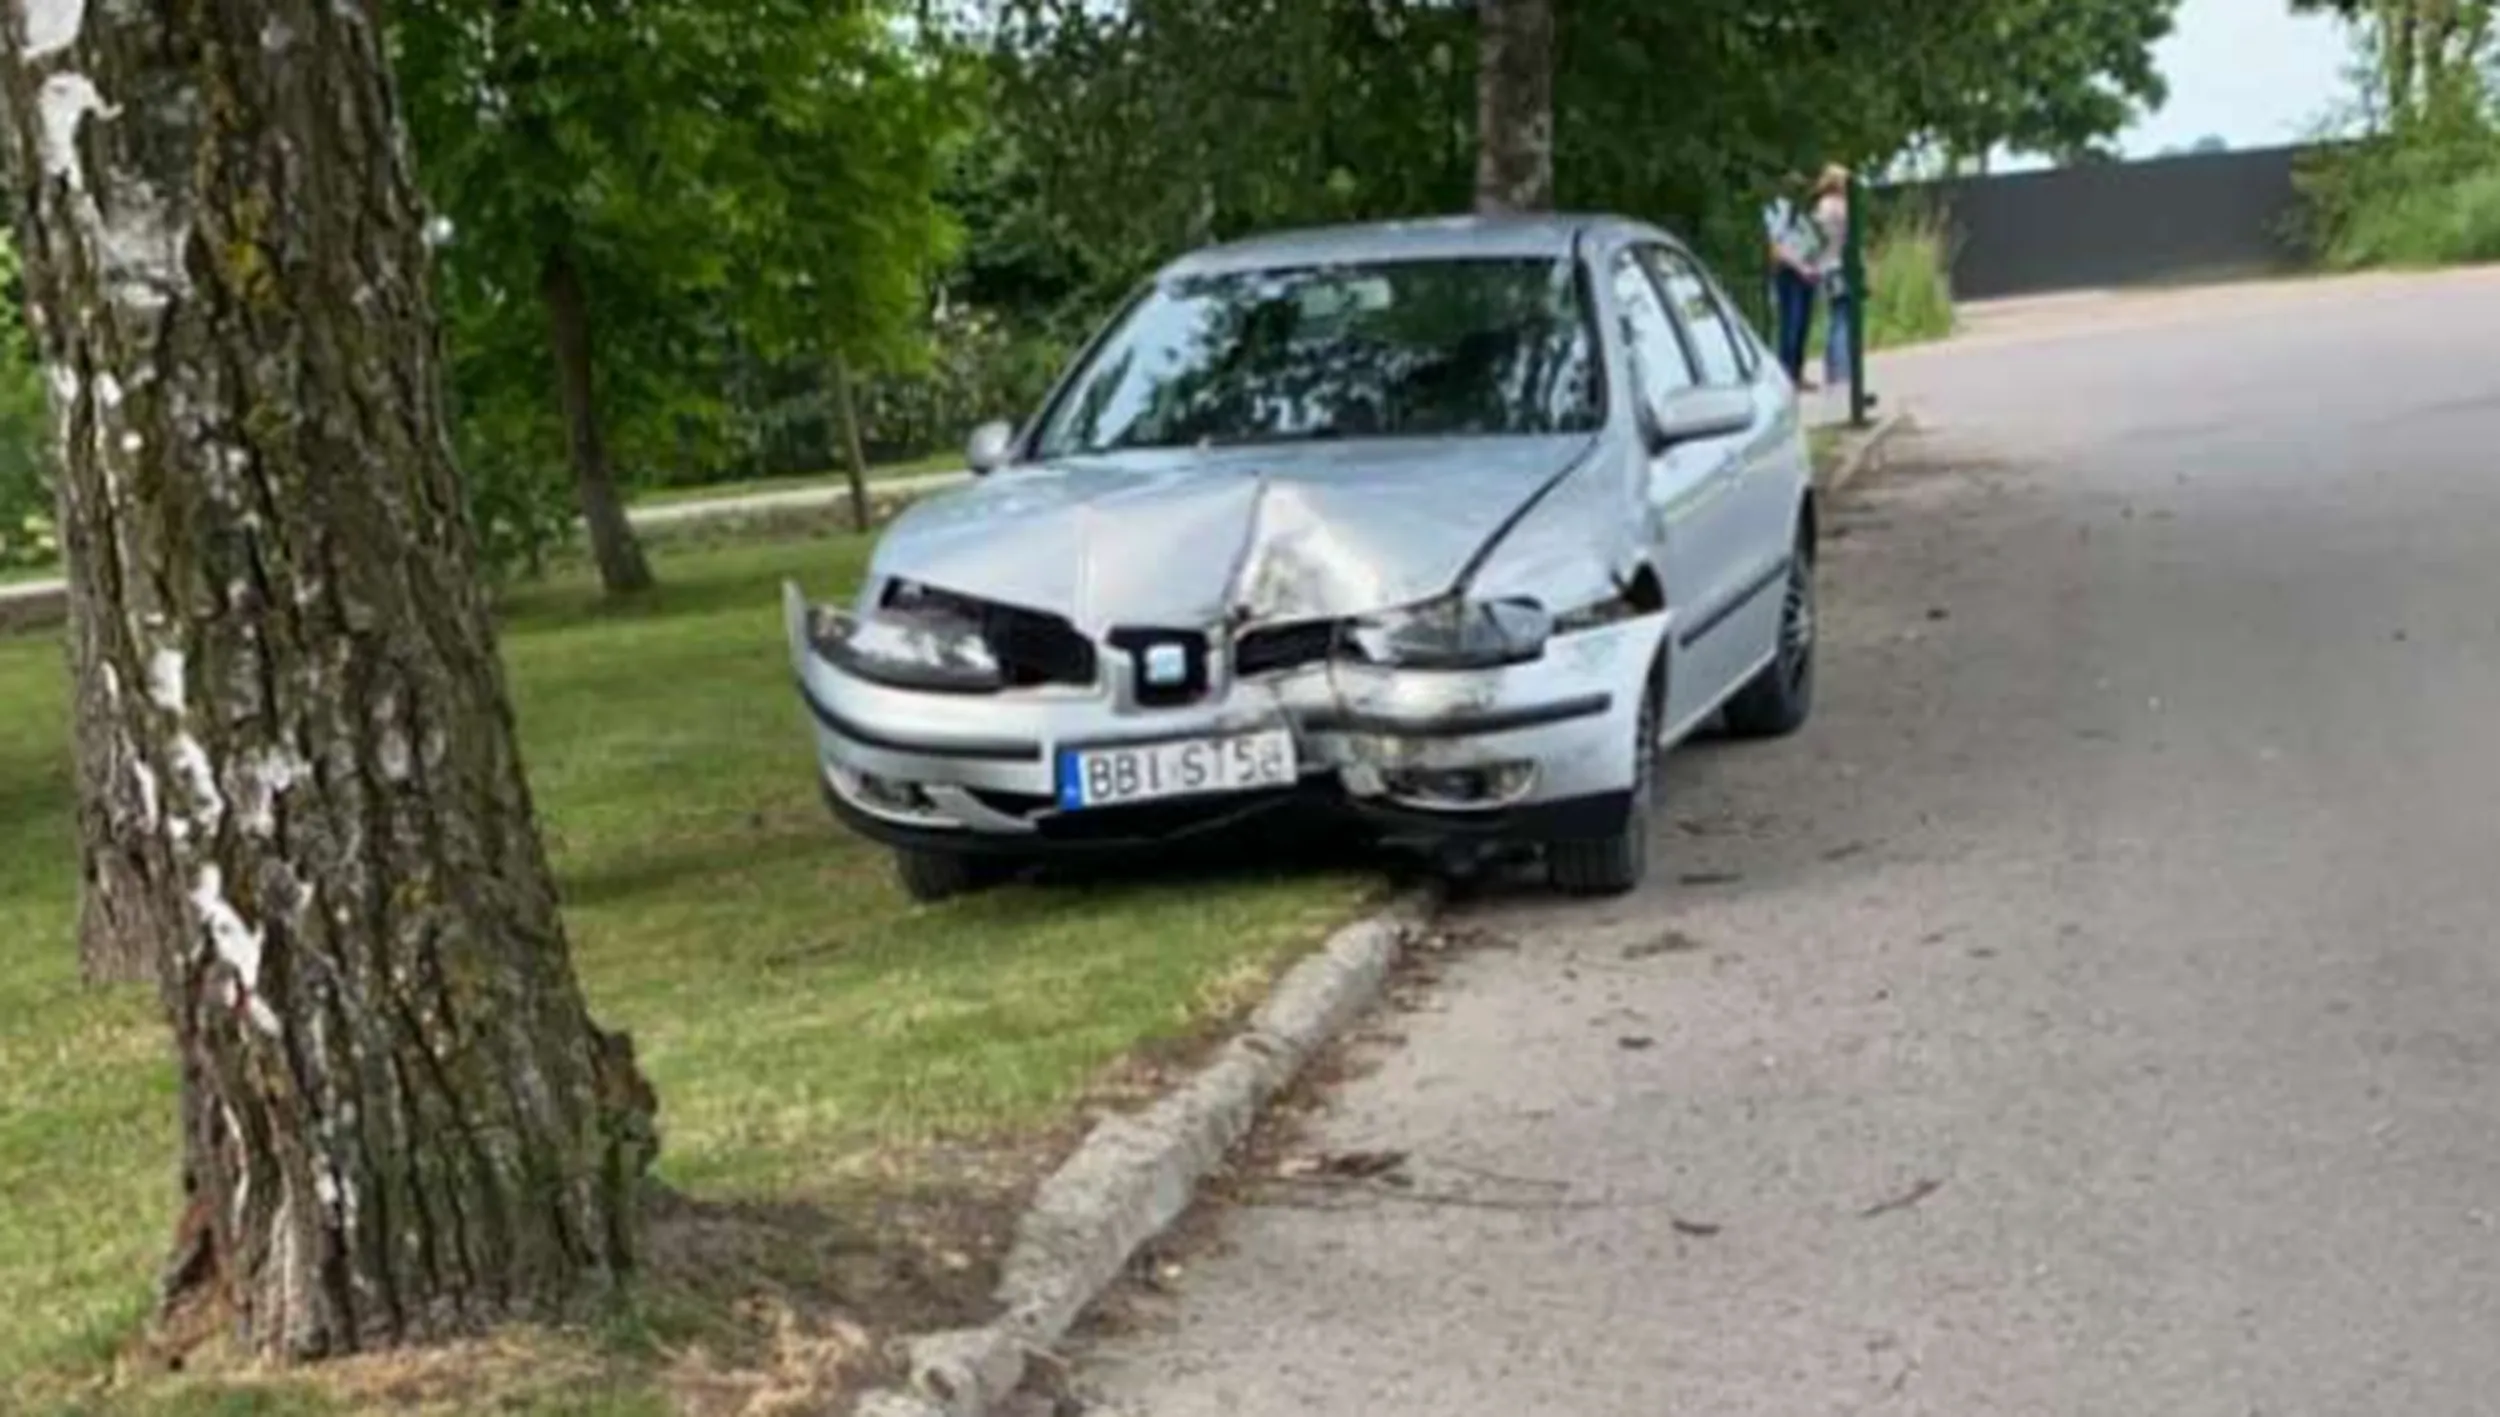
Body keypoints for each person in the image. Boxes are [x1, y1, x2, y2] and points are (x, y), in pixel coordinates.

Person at [1762, 178, 1825, 387]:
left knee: (1802, 327)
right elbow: (1776, 248)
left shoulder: (1805, 214)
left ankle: (1797, 373)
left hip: (1807, 272)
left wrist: (1814, 267)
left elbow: (1813, 242)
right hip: (1789, 273)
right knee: (1791, 324)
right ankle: (1786, 374)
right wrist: (1800, 267)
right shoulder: (1778, 210)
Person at [1813, 163, 1856, 394]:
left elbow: (1815, 237)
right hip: (1840, 265)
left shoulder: (1821, 208)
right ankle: (1842, 372)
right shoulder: (1843, 207)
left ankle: (1832, 370)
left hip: (1825, 266)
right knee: (1842, 319)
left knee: (1833, 317)